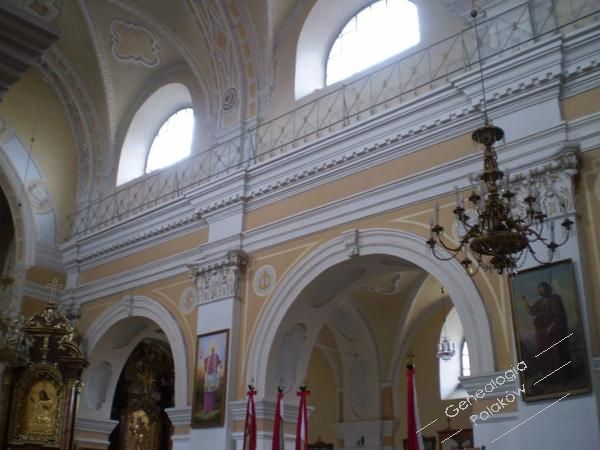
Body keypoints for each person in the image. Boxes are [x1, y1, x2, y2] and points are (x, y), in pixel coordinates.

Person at [521, 281, 571, 383]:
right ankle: (550, 376)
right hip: (544, 332)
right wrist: (525, 301)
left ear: (548, 289)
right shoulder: (541, 301)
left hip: (555, 331)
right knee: (545, 353)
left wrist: (552, 326)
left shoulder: (556, 298)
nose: (542, 292)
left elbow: (559, 315)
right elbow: (532, 311)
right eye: (540, 291)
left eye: (543, 290)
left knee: (557, 352)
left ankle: (562, 377)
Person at [203, 344, 222, 413]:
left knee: (212, 392)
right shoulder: (208, 358)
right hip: (208, 377)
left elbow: (219, 364)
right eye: (211, 349)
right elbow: (205, 362)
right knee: (207, 392)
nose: (212, 350)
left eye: (213, 349)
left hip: (212, 376)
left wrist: (219, 364)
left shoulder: (216, 356)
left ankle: (211, 407)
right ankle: (206, 408)